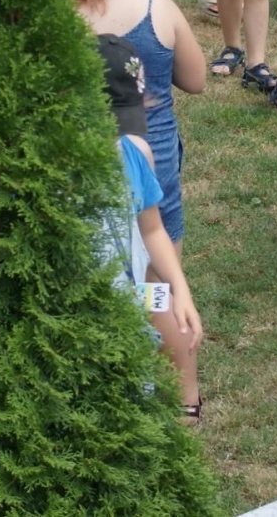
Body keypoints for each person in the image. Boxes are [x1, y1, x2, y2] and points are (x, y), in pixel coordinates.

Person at [61, 0, 207, 418]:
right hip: (154, 162)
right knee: (159, 287)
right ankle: (185, 395)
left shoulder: (56, 20)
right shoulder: (157, 9)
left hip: (83, 163)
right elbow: (195, 80)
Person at [94, 33, 206, 420]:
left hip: (130, 297)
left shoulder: (134, 152)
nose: (122, 132)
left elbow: (153, 229)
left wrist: (181, 292)